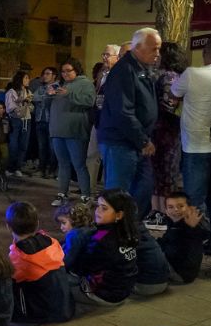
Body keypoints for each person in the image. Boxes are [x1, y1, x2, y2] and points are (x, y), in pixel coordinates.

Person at [171, 36, 211, 255]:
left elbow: (174, 94)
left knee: (194, 197)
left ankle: (193, 242)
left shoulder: (193, 74)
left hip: (196, 146)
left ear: (206, 53)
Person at [97, 28, 161, 219]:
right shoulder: (124, 70)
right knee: (117, 195)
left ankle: (131, 228)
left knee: (143, 188)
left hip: (134, 142)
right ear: (138, 48)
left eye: (159, 49)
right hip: (120, 142)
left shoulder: (142, 69)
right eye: (153, 49)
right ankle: (112, 236)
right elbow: (123, 111)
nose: (157, 54)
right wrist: (142, 140)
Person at [66, 189, 139, 305]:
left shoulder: (101, 238)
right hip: (123, 291)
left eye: (104, 208)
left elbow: (80, 268)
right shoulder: (129, 232)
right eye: (98, 206)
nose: (97, 211)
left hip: (105, 295)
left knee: (55, 280)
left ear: (119, 215)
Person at [6, 202, 75, 323]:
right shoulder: (52, 241)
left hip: (43, 314)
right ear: (37, 224)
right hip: (67, 307)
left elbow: (10, 280)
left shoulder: (18, 256)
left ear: (8, 227)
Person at [146, 42, 186, 227]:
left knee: (164, 172)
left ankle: (162, 212)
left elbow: (169, 105)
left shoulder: (168, 76)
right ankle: (158, 211)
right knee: (162, 172)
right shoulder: (168, 76)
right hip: (163, 130)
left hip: (166, 130)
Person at [47, 58, 96, 207]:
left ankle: (86, 196)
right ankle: (62, 194)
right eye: (63, 71)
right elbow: (46, 104)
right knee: (63, 164)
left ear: (77, 70)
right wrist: (48, 95)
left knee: (79, 164)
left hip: (75, 131)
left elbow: (89, 101)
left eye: (69, 70)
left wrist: (69, 94)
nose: (65, 74)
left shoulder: (85, 83)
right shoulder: (59, 85)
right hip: (57, 130)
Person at [87, 44, 120, 194]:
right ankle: (89, 191)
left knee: (109, 161)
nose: (104, 58)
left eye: (107, 55)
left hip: (111, 123)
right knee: (92, 156)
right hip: (98, 120)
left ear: (117, 57)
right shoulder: (102, 73)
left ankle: (108, 194)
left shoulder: (119, 74)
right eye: (104, 54)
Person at [156, 192, 209, 283]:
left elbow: (172, 250)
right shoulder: (174, 223)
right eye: (170, 207)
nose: (176, 210)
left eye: (181, 206)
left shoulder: (190, 225)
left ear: (189, 208)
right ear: (166, 210)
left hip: (180, 274)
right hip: (181, 271)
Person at [5, 69, 34, 177]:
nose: (28, 80)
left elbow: (30, 107)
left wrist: (29, 104)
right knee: (13, 145)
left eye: (28, 78)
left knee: (24, 145)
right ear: (20, 79)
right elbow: (9, 108)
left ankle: (18, 167)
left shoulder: (28, 91)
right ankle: (10, 167)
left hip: (27, 119)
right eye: (26, 78)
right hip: (15, 120)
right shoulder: (12, 91)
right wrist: (21, 100)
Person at [32, 66, 58, 177]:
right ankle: (41, 169)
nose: (45, 76)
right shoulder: (41, 88)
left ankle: (52, 169)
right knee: (41, 146)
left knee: (52, 147)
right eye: (44, 74)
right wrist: (45, 96)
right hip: (40, 120)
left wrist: (45, 97)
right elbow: (34, 98)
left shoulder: (57, 87)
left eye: (48, 73)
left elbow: (51, 100)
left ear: (54, 75)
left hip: (52, 121)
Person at [54, 202, 94, 270]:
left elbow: (67, 262)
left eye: (64, 223)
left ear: (75, 220)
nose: (61, 227)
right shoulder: (90, 229)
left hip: (77, 272)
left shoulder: (74, 236)